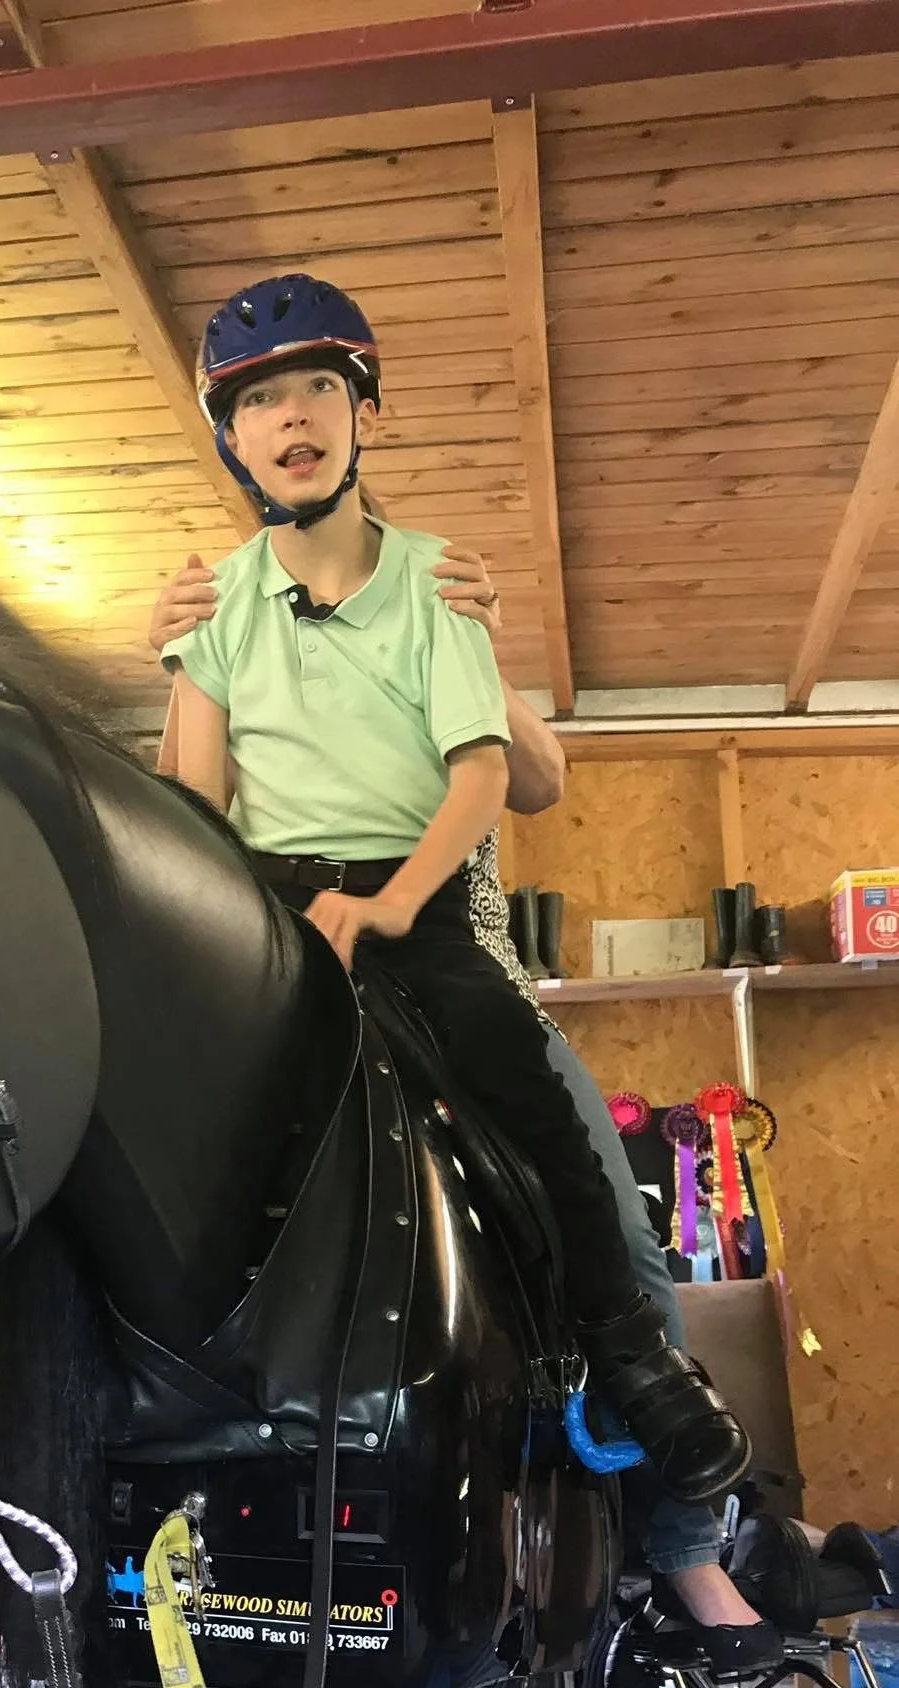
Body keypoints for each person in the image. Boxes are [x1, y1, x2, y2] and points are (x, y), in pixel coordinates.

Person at [154, 273, 758, 1607]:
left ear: (363, 409)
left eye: (316, 386)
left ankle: (659, 1438)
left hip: (420, 907)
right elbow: (195, 806)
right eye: (259, 401)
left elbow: (498, 775)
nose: (291, 416)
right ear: (233, 440)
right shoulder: (215, 609)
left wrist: (385, 905)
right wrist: (178, 686)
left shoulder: (439, 577)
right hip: (271, 915)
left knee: (552, 1119)